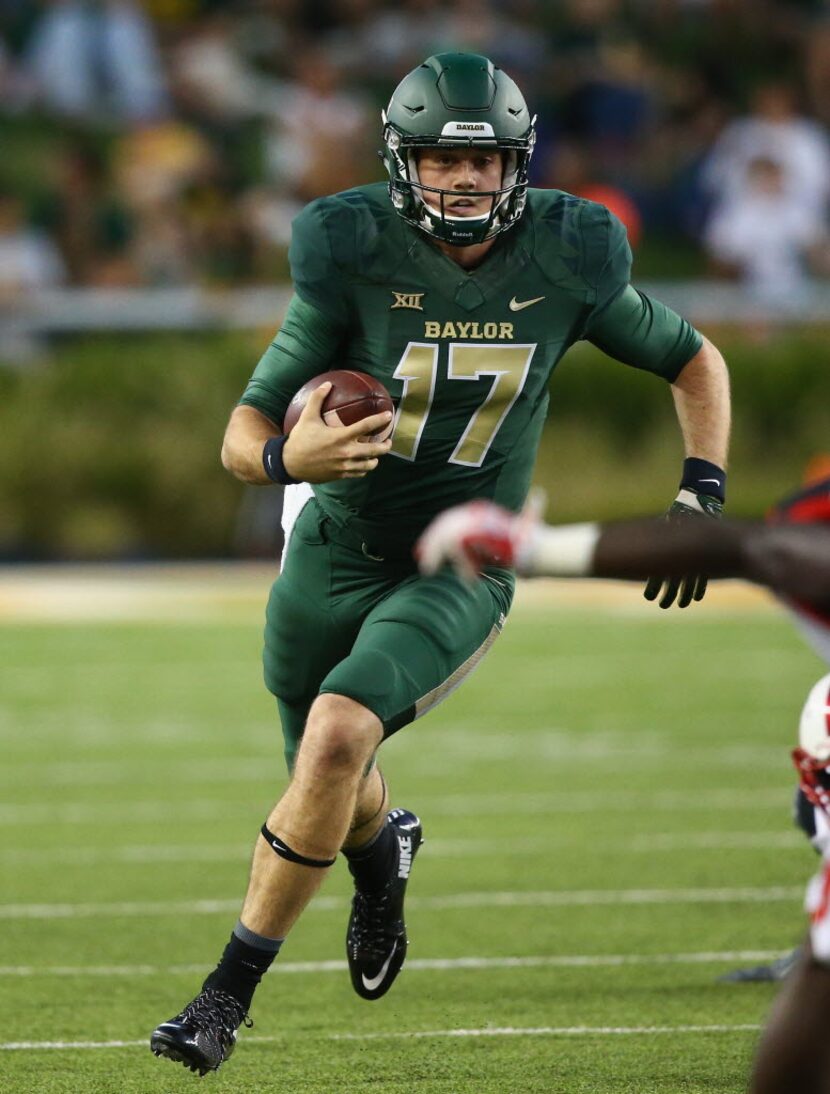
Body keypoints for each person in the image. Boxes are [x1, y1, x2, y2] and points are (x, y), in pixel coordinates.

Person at [150, 51, 730, 1076]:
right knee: (332, 775)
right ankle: (384, 860)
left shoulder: (570, 250)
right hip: (330, 543)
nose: (462, 183)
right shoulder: (348, 245)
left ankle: (220, 1000)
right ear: (398, 162)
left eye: (483, 164)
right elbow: (241, 431)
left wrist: (699, 494)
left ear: (517, 165)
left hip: (460, 556)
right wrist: (290, 455)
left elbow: (692, 358)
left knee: (334, 737)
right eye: (436, 161)